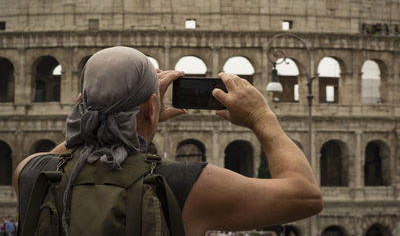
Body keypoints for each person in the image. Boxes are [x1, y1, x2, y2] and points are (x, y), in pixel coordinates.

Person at [13, 46, 323, 236]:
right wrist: (261, 117)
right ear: (151, 108)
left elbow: (72, 148)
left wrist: (123, 118)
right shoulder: (184, 185)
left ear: (81, 105)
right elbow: (306, 196)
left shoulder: (32, 173)